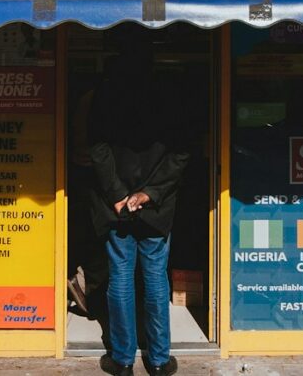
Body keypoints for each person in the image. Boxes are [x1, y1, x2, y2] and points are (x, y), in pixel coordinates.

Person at [87, 45, 189, 376]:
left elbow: (97, 147)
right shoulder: (171, 95)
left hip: (114, 205)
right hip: (155, 207)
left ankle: (122, 359)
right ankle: (159, 360)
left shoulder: (107, 94)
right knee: (155, 277)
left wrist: (118, 195)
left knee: (120, 275)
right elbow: (181, 152)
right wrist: (148, 194)